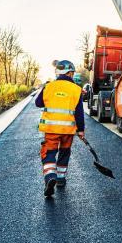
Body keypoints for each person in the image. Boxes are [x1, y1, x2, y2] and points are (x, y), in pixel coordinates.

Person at [35, 60, 85, 197]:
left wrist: (46, 91)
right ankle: (61, 179)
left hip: (51, 129)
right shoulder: (76, 89)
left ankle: (50, 176)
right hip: (68, 130)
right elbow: (79, 112)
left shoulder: (49, 86)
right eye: (72, 73)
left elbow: (38, 103)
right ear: (69, 73)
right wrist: (81, 130)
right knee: (64, 152)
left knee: (49, 153)